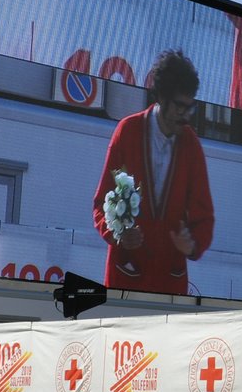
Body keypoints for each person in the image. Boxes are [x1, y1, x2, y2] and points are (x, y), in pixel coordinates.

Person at [92, 49, 215, 295]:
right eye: (180, 106)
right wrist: (117, 234)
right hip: (125, 276)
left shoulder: (192, 146)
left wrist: (192, 245)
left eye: (190, 107)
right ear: (161, 97)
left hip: (170, 281)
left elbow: (205, 217)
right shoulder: (127, 131)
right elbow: (101, 203)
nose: (186, 115)